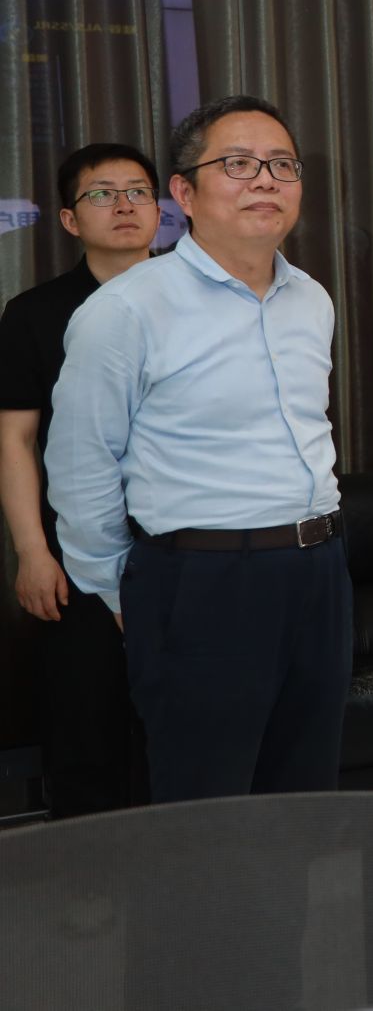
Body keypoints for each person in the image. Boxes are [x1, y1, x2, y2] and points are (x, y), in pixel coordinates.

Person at [48, 95, 350, 801]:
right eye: (238, 164)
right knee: (207, 807)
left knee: (306, 794)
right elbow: (81, 464)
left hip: (318, 571)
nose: (266, 179)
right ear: (183, 194)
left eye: (282, 165)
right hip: (201, 581)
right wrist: (119, 586)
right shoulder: (125, 309)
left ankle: (291, 887)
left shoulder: (311, 298)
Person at [0, 143, 159, 815]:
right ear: (69, 219)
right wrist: (32, 551)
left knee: (179, 723)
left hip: (182, 541)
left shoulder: (198, 298)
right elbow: (15, 438)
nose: (124, 205)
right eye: (101, 194)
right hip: (77, 549)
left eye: (138, 191)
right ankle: (91, 872)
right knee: (86, 722)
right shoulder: (35, 313)